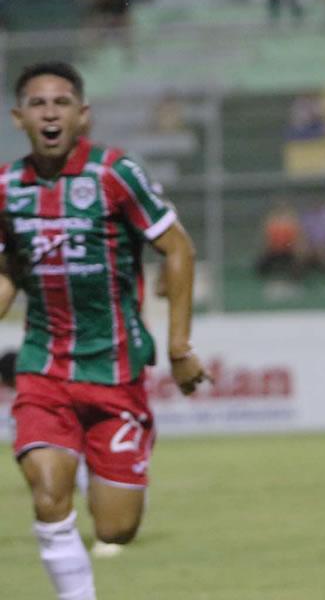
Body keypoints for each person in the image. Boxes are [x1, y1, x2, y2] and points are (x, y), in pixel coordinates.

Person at [0, 61, 207, 600]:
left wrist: (179, 346)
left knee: (116, 528)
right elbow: (6, 272)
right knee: (48, 496)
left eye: (61, 102)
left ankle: (101, 469)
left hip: (115, 370)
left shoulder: (114, 173)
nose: (50, 112)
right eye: (39, 104)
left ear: (81, 115)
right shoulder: (6, 188)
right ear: (19, 117)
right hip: (43, 367)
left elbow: (177, 246)